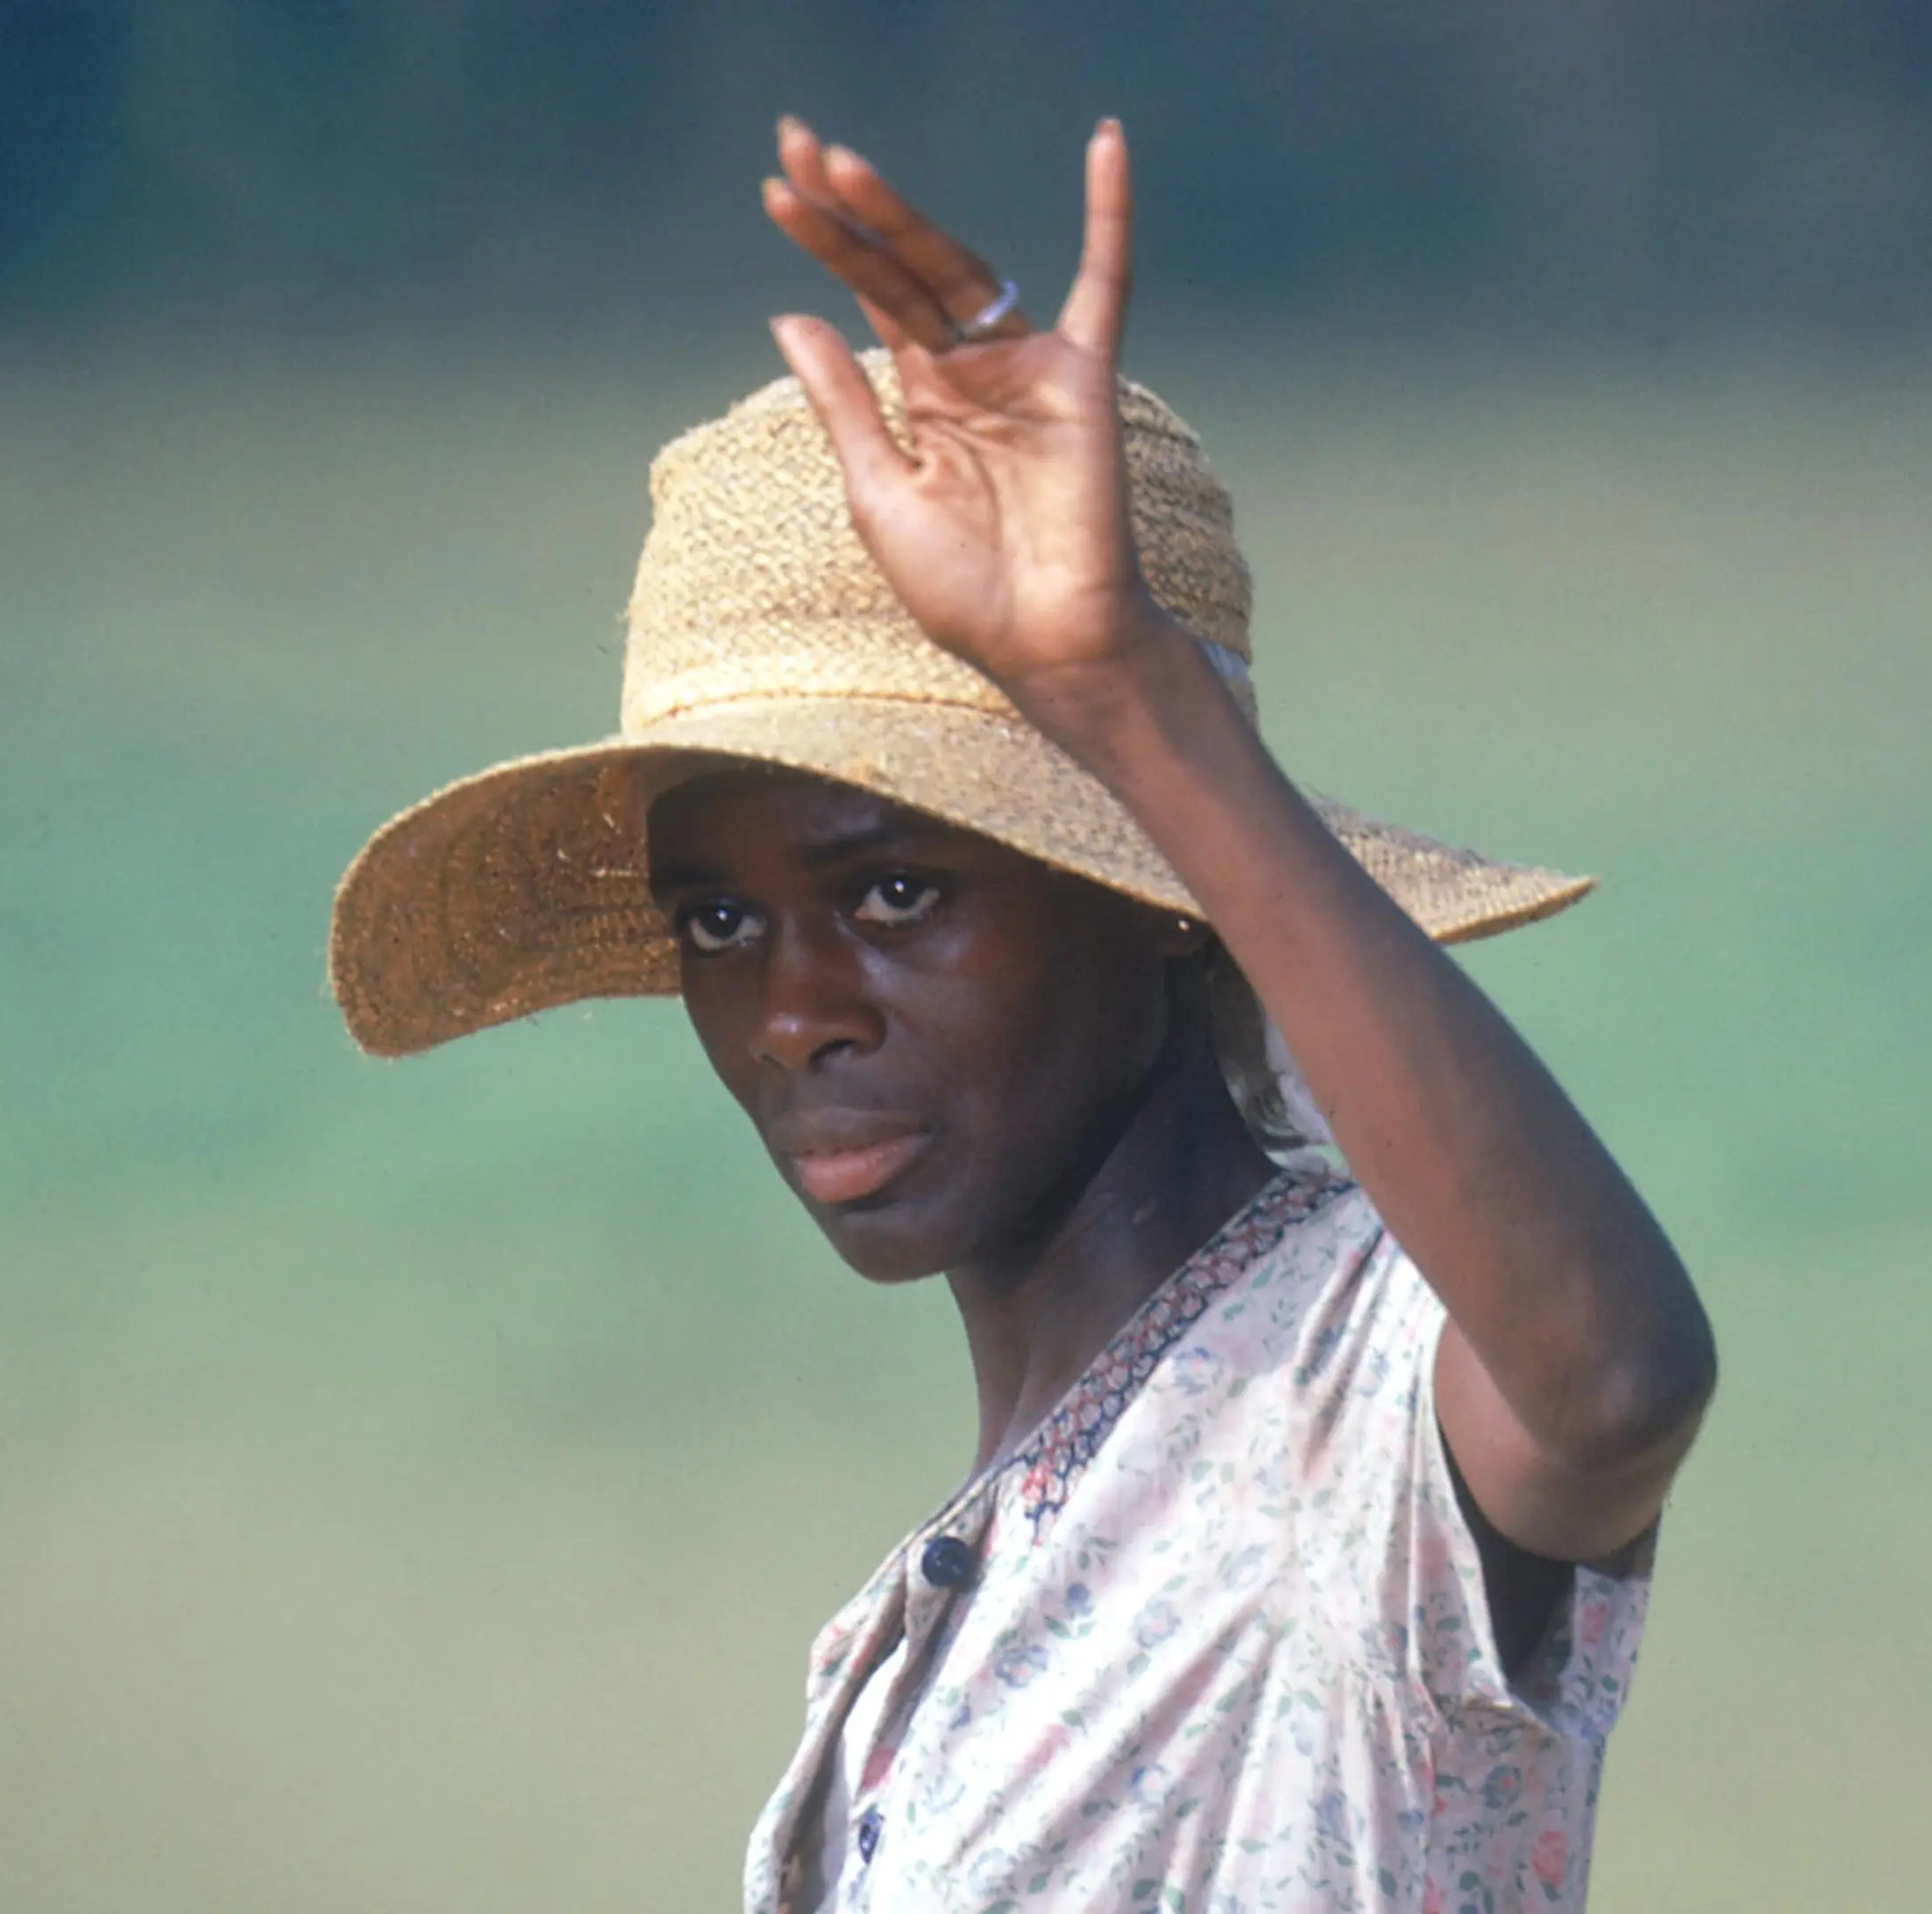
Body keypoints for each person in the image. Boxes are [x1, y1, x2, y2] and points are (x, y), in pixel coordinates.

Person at [328, 115, 1716, 1913]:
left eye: (899, 892)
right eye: (722, 920)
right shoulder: (898, 1657)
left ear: (1154, 893)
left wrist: (1125, 699)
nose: (791, 1013)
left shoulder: (1351, 1418)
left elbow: (1611, 1387)